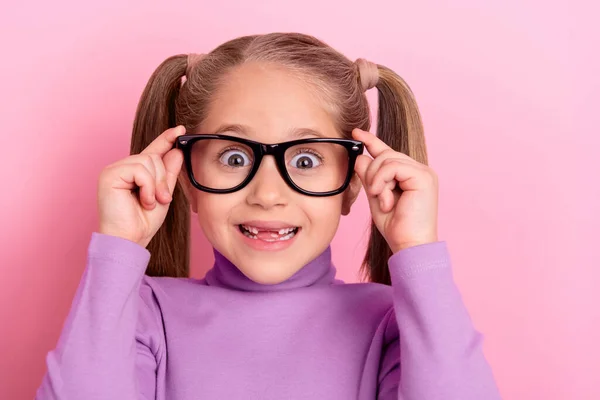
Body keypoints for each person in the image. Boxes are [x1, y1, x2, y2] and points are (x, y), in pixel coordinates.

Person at [36, 32, 501, 399]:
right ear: (187, 179)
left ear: (355, 180)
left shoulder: (391, 323)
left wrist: (417, 251)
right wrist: (118, 248)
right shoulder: (143, 313)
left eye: (305, 160)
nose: (267, 194)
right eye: (234, 157)